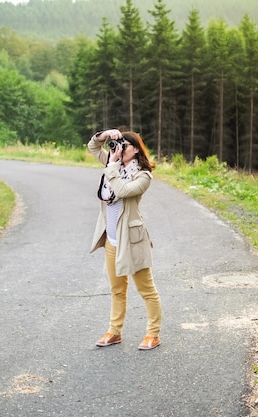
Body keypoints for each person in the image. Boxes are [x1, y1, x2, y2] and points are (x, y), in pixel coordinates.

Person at [88, 128, 163, 350]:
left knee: (146, 290)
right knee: (117, 289)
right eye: (118, 144)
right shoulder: (115, 164)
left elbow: (121, 190)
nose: (119, 149)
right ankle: (114, 331)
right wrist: (104, 136)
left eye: (125, 145)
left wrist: (111, 164)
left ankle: (153, 334)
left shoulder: (143, 176)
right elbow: (93, 147)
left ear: (137, 149)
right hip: (111, 238)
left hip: (131, 240)